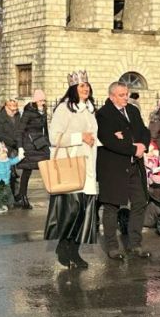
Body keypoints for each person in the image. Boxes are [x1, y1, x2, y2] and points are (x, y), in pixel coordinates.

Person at [45, 73, 100, 269]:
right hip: (71, 165)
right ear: (73, 88)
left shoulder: (90, 109)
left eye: (87, 86)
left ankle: (75, 250)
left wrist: (93, 139)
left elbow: (93, 134)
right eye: (81, 86)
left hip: (88, 165)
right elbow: (54, 137)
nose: (86, 89)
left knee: (85, 211)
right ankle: (63, 246)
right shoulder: (64, 108)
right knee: (72, 209)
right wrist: (80, 137)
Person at [95, 81, 152, 260]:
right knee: (111, 206)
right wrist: (132, 147)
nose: (126, 97)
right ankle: (112, 246)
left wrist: (142, 145)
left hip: (135, 165)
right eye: (121, 95)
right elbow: (108, 139)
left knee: (140, 202)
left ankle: (135, 244)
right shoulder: (103, 114)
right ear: (112, 97)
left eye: (126, 94)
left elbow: (143, 131)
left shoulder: (133, 110)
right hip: (114, 167)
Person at [16, 89, 50, 209]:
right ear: (35, 100)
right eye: (40, 100)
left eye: (43, 100)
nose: (42, 102)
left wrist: (48, 143)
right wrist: (20, 147)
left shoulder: (43, 111)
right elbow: (20, 130)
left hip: (40, 143)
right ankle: (23, 196)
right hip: (29, 144)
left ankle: (52, 192)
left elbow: (45, 129)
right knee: (27, 170)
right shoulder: (28, 112)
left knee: (46, 168)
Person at [0, 97, 23, 199]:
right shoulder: (0, 118)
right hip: (5, 149)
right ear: (6, 107)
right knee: (5, 173)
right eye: (12, 109)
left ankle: (13, 194)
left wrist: (19, 143)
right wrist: (13, 142)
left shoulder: (18, 116)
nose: (14, 111)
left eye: (16, 109)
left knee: (14, 173)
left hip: (16, 148)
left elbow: (20, 130)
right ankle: (4, 196)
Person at [0, 141, 22, 214]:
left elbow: (13, 161)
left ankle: (3, 204)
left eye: (5, 153)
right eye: (3, 153)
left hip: (6, 181)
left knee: (6, 194)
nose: (5, 154)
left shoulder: (6, 160)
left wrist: (19, 157)